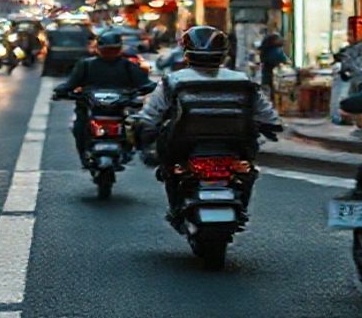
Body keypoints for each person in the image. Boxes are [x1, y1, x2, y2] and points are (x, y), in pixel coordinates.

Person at [138, 26, 281, 224]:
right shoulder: (241, 80)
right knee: (247, 171)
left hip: (184, 145)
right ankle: (241, 207)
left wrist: (146, 132)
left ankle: (176, 208)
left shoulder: (173, 81)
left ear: (187, 53)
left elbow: (151, 115)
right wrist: (272, 126)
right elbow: (266, 113)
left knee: (169, 168)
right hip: (235, 144)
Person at [57, 30, 151, 165]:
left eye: (113, 50)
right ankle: (84, 155)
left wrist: (146, 90)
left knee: (140, 125)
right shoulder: (86, 65)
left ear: (119, 49)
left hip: (119, 109)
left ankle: (136, 150)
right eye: (107, 50)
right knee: (79, 127)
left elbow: (144, 83)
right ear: (99, 49)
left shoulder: (128, 65)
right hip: (91, 107)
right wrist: (63, 91)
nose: (110, 53)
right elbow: (71, 83)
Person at [259, 33, 290, 103]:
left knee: (270, 95)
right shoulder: (277, 51)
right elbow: (286, 61)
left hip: (266, 77)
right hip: (276, 77)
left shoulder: (265, 51)